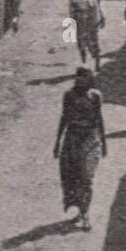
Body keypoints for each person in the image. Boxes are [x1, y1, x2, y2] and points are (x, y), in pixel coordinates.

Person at [53, 67, 107, 231]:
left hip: (90, 140)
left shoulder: (95, 96)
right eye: (78, 77)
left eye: (84, 77)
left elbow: (99, 119)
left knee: (87, 177)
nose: (80, 80)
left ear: (90, 79)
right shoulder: (69, 95)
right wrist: (57, 141)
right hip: (72, 139)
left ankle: (85, 214)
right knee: (73, 176)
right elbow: (64, 117)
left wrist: (104, 142)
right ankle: (81, 211)